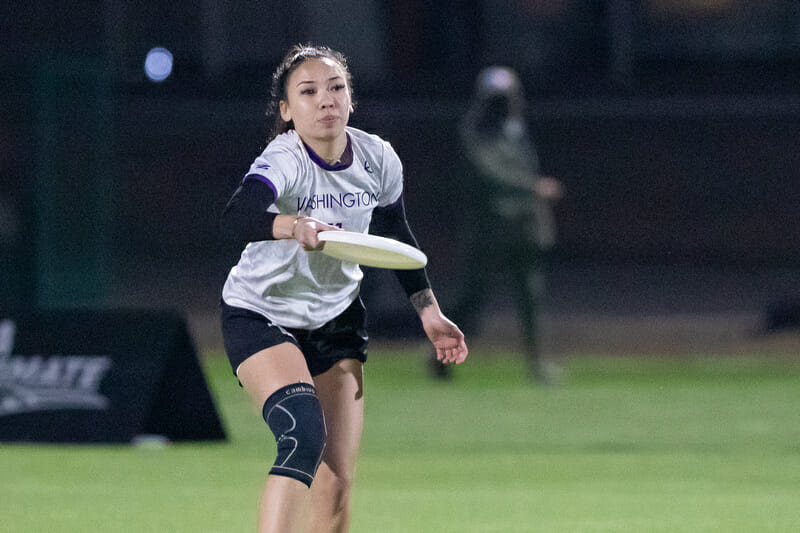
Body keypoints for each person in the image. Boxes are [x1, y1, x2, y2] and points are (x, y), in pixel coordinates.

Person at [219, 44, 468, 533]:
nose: (326, 99)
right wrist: (293, 225)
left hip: (336, 320)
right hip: (261, 315)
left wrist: (429, 312)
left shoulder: (377, 157)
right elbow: (237, 217)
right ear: (287, 112)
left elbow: (396, 235)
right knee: (301, 438)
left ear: (350, 99)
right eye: (308, 92)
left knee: (336, 484)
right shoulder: (285, 158)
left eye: (336, 88)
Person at [427, 65, 561, 384]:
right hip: (489, 231)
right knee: (472, 299)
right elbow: (490, 175)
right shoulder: (474, 133)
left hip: (523, 228)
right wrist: (533, 187)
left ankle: (537, 364)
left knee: (530, 296)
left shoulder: (516, 133)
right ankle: (440, 355)